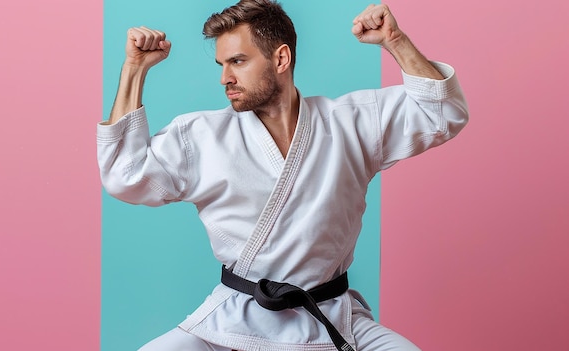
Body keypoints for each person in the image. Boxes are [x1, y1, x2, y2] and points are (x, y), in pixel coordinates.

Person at [97, 0, 469, 350]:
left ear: (281, 58)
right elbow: (125, 175)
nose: (225, 78)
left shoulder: (351, 122)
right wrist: (134, 69)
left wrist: (395, 41)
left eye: (238, 61)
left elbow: (443, 113)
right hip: (235, 317)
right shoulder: (201, 136)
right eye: (221, 64)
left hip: (329, 315)